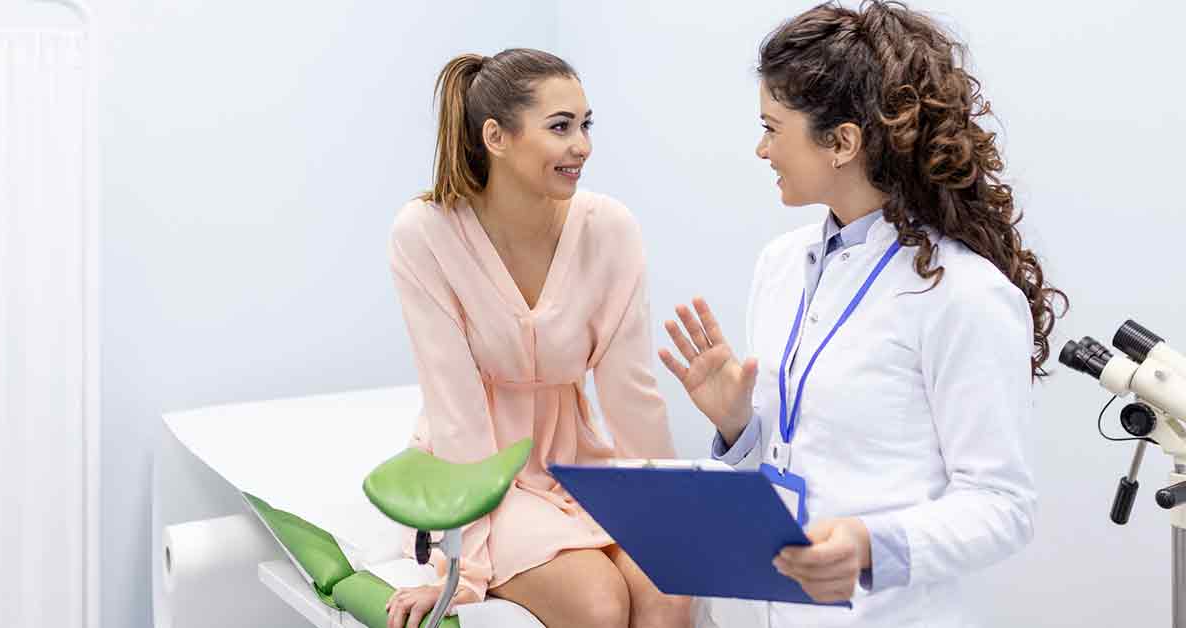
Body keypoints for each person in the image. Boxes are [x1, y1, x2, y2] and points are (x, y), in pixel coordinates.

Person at [658, 2, 1068, 626]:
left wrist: (873, 546)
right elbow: (800, 454)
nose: (761, 148)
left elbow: (1002, 504)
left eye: (773, 128)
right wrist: (739, 429)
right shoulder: (779, 265)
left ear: (843, 142)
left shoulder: (964, 294)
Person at [386, 48, 691, 628]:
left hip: (579, 464)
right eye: (560, 127)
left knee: (670, 585)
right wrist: (462, 572)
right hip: (482, 480)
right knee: (598, 601)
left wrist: (669, 513)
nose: (582, 145)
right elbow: (458, 415)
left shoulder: (610, 229)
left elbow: (632, 392)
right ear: (496, 137)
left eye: (585, 125)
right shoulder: (425, 235)